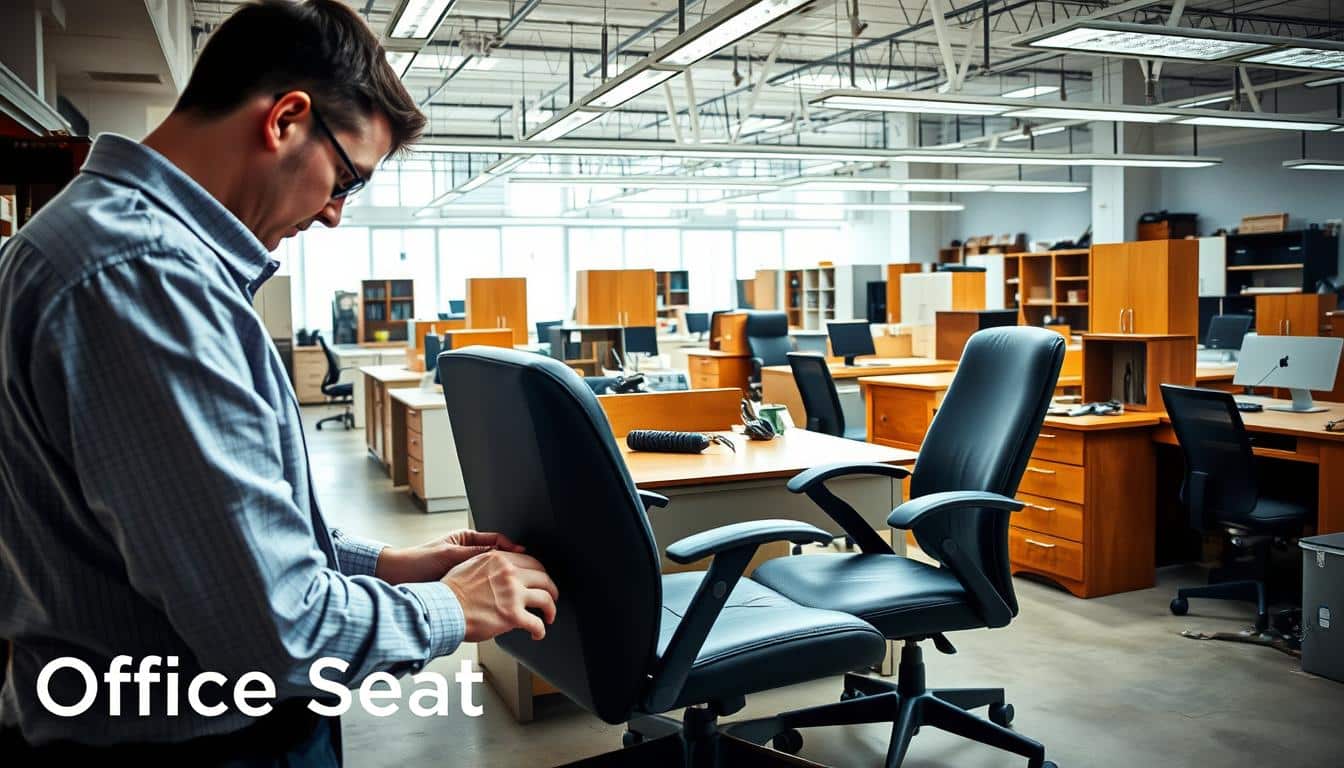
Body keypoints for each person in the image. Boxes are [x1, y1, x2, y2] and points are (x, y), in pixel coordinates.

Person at [0, 0, 557, 763]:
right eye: (347, 179)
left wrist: (385, 565)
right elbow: (276, 631)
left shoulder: (108, 245)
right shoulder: (144, 278)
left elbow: (205, 539)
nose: (334, 214)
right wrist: (449, 607)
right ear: (287, 120)